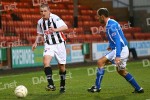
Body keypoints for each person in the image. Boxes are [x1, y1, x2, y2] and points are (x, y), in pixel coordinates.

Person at [88, 8, 144, 93]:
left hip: (120, 50)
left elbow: (118, 40)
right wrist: (111, 45)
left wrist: (117, 55)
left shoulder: (110, 26)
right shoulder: (112, 22)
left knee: (100, 62)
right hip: (122, 49)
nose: (97, 18)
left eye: (98, 16)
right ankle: (138, 89)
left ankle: (97, 87)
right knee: (122, 72)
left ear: (102, 16)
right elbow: (120, 37)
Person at [32, 4, 68, 93]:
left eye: (45, 11)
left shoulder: (55, 18)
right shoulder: (40, 22)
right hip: (49, 44)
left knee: (62, 67)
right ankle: (51, 84)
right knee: (45, 62)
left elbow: (65, 27)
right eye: (41, 11)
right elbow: (40, 33)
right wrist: (36, 42)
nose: (43, 13)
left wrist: (55, 29)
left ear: (49, 11)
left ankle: (62, 85)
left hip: (59, 44)